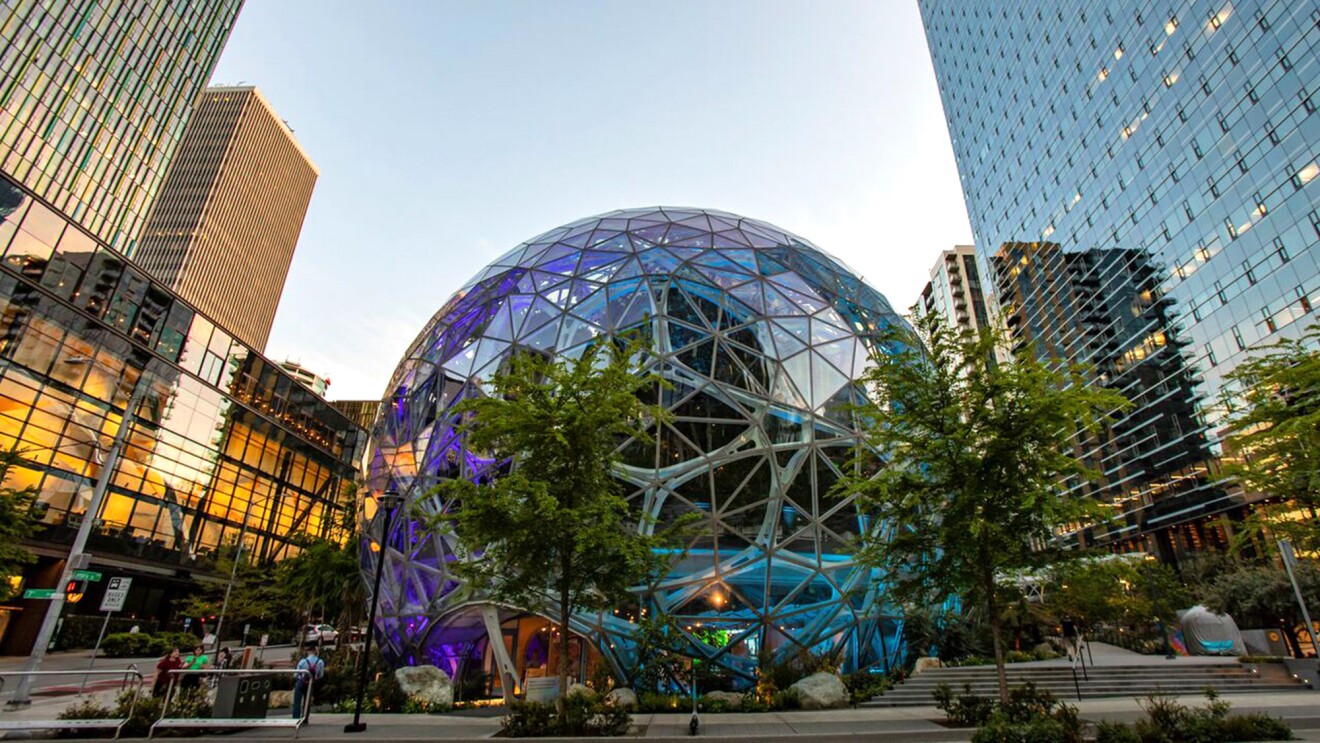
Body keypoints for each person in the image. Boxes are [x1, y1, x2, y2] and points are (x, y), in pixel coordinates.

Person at [292, 644, 325, 720]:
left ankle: (295, 718)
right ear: (315, 651)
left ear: (309, 651)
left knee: (297, 701)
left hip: (301, 682)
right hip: (311, 683)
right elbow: (321, 675)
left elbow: (296, 674)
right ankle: (305, 717)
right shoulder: (320, 662)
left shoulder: (303, 661)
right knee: (307, 702)